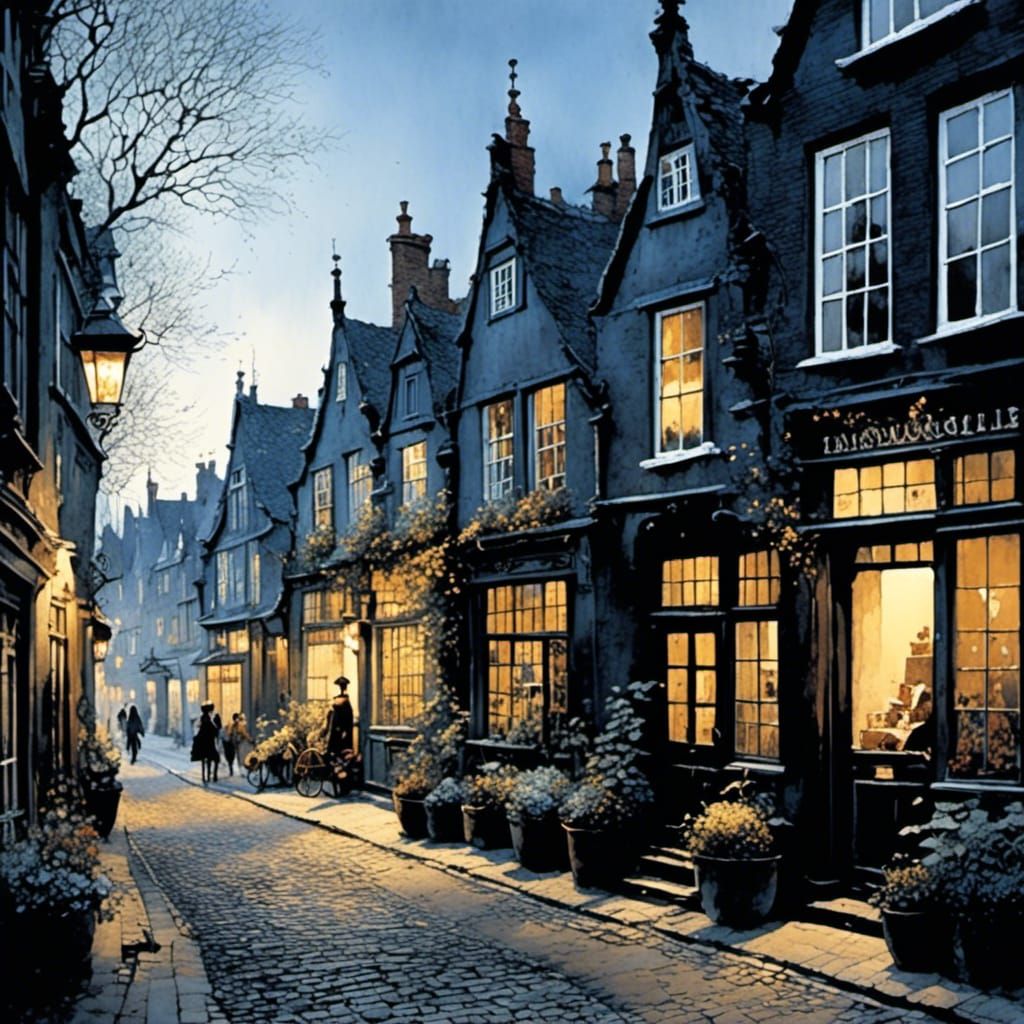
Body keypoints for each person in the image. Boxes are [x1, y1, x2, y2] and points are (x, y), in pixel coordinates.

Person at [323, 677, 354, 761]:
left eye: (343, 686)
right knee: (332, 747)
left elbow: (348, 718)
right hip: (334, 727)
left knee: (340, 748)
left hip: (341, 729)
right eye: (340, 686)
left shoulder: (346, 702)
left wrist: (345, 730)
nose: (341, 688)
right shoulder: (336, 699)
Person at [196, 701, 221, 784]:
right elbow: (214, 729)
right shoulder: (208, 719)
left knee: (208, 760)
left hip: (204, 743)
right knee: (216, 759)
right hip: (209, 743)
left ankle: (207, 775)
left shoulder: (203, 718)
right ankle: (214, 776)